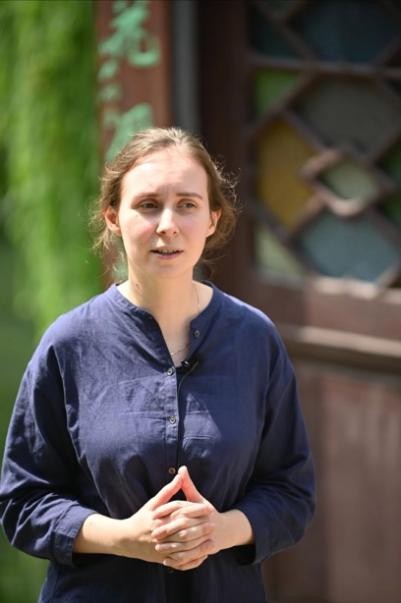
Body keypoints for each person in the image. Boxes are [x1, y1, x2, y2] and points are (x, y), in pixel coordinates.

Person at [0, 127, 315, 602]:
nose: (168, 224)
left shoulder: (255, 339)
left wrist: (221, 529)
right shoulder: (69, 344)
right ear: (113, 216)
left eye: (187, 205)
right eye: (148, 205)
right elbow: (24, 503)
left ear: (211, 219)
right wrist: (124, 537)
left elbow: (291, 493)